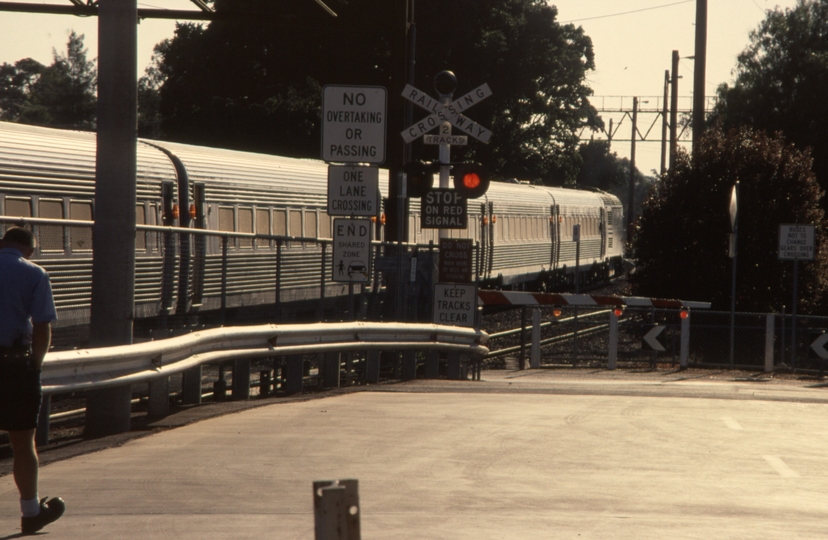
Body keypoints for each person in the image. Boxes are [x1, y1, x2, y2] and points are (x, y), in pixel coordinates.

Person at [0, 226, 65, 535]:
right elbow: (42, 327)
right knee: (23, 444)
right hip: (14, 366)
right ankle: (31, 513)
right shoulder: (35, 273)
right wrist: (34, 366)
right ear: (30, 249)